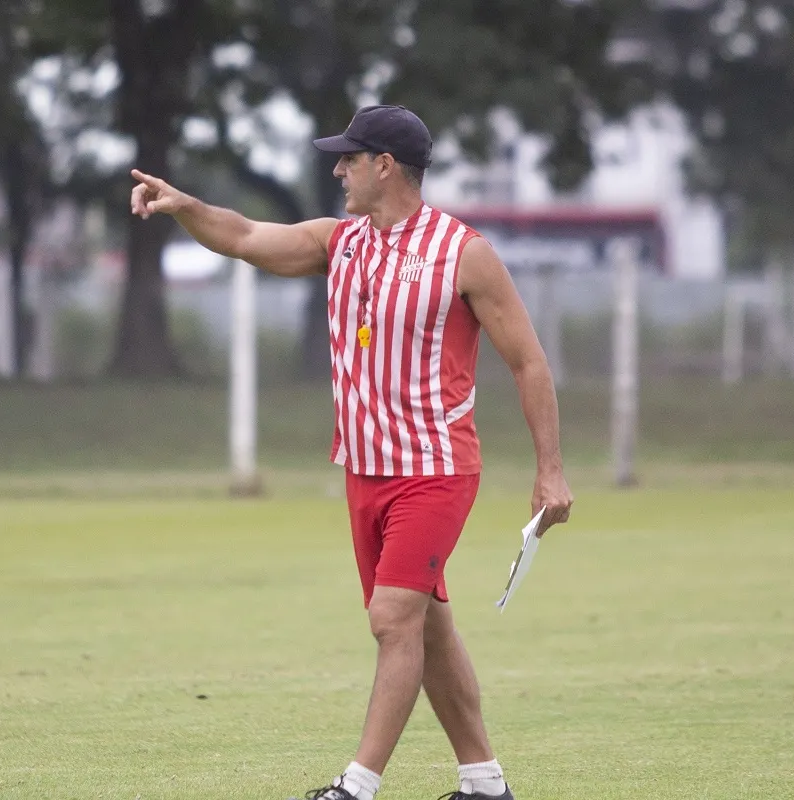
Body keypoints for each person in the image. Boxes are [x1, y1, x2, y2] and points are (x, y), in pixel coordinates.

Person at [131, 104, 574, 800]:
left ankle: (356, 787)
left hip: (435, 469)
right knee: (427, 625)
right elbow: (246, 236)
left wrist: (550, 469)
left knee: (392, 619)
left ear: (384, 166)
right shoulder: (340, 242)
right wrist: (186, 206)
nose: (338, 169)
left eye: (349, 158)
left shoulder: (464, 254)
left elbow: (528, 362)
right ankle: (485, 783)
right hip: (363, 471)